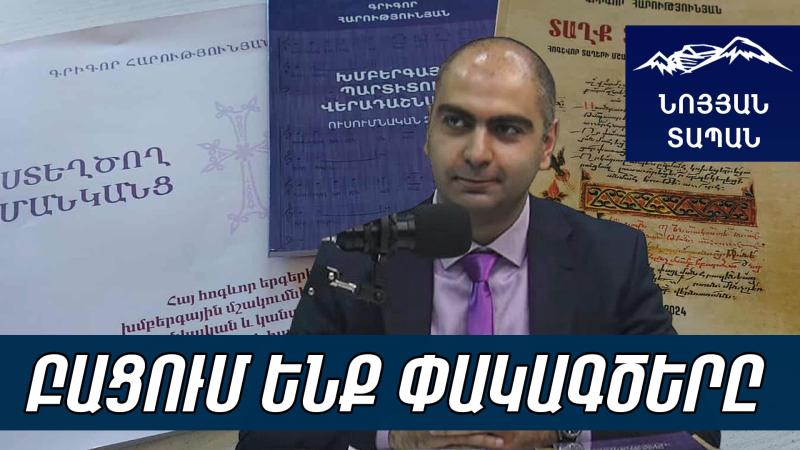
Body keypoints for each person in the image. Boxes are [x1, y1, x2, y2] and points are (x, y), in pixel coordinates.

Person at [238, 37, 720, 449]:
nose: (476, 153)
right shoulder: (352, 263)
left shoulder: (610, 259)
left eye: (507, 129)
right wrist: (393, 436)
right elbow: (265, 436)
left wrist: (557, 429)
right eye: (456, 123)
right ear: (428, 131)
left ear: (547, 144)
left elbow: (696, 423)